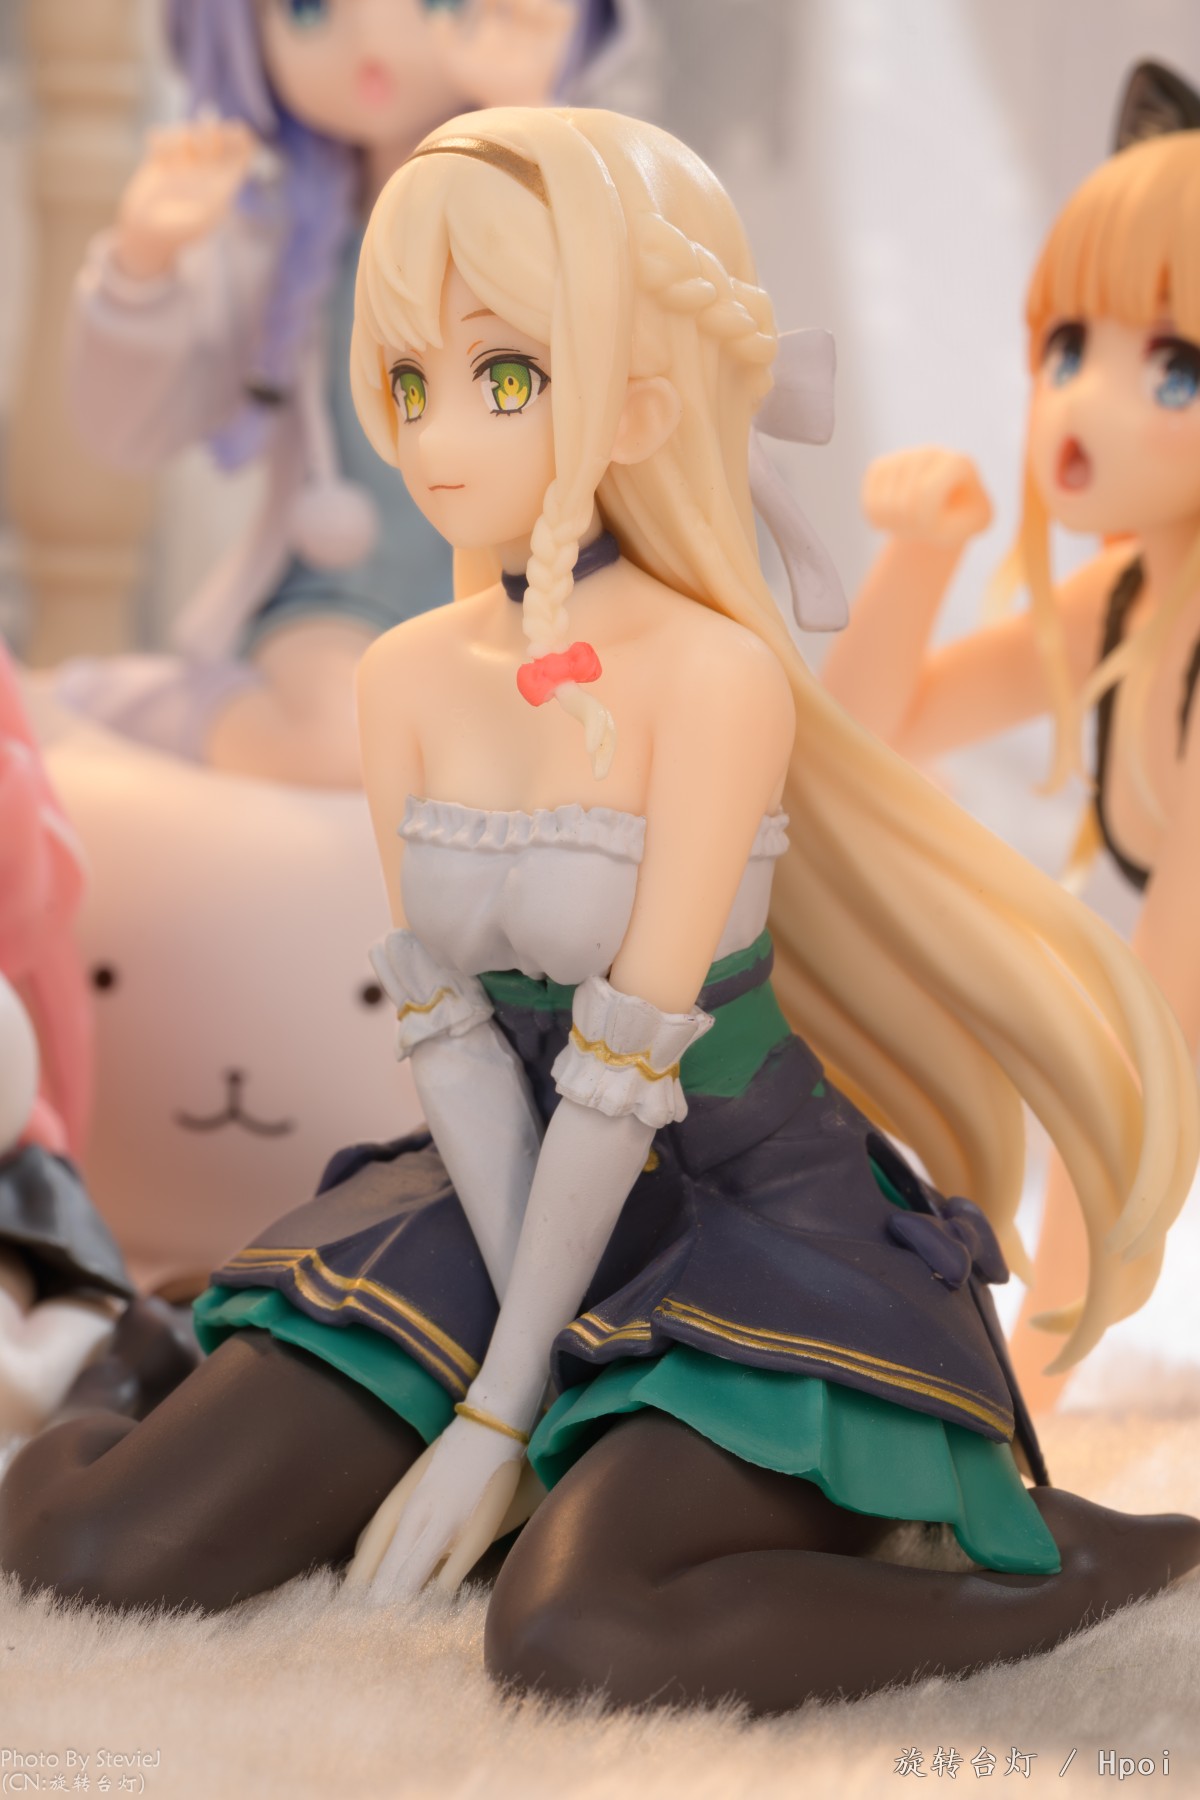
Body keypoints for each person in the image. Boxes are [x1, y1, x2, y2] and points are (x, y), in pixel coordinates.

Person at [3, 107, 1198, 1716]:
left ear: (640, 401)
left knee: (580, 1637)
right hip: (501, 1189)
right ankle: (150, 1352)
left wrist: (501, 1415)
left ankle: (1061, 1576)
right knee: (90, 1549)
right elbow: (456, 1045)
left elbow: (626, 1078)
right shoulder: (401, 676)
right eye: (407, 381)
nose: (436, 436)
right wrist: (507, 1374)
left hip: (741, 1215)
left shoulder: (712, 677)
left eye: (503, 378)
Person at [823, 115, 1200, 1410]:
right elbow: (864, 740)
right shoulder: (1131, 596)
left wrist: (1029, 1372)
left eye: (1174, 368)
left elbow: (1147, 1054)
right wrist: (919, 558)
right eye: (1068, 347)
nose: (1080, 403)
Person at [57, 0, 622, 786]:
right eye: (309, 9)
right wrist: (142, 268)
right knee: (347, 742)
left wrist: (531, 121)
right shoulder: (280, 241)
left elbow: (617, 322)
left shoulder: (561, 196)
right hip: (344, 592)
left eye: (434, 5)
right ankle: (120, 705)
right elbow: (124, 432)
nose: (372, 44)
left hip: (538, 590)